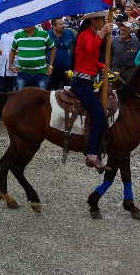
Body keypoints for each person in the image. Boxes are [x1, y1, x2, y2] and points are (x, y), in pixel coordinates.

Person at [71, 11, 113, 170]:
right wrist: (102, 34)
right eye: (100, 19)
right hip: (81, 82)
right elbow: (90, 49)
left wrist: (104, 67)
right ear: (92, 21)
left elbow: (91, 59)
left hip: (86, 81)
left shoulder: (91, 34)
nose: (103, 21)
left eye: (103, 19)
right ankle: (92, 154)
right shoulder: (85, 35)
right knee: (99, 114)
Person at [9, 25, 55, 90]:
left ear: (34, 23)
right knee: (23, 97)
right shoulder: (18, 35)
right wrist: (10, 65)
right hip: (23, 73)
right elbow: (12, 50)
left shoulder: (44, 34)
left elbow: (53, 48)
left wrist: (50, 66)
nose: (25, 24)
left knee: (40, 98)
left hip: (41, 74)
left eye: (28, 22)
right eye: (24, 22)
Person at [48, 18, 75, 90]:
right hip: (52, 69)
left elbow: (76, 48)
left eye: (63, 23)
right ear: (53, 26)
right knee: (53, 91)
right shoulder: (48, 35)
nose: (63, 26)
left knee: (68, 89)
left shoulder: (70, 33)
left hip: (67, 70)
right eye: (60, 24)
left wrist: (73, 66)